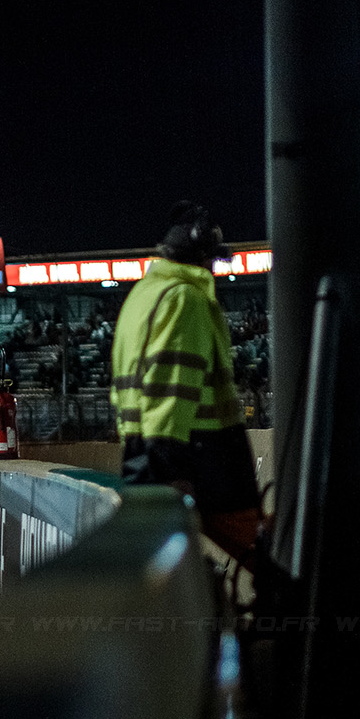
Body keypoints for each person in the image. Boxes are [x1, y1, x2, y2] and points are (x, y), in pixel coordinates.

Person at [110, 201, 262, 564]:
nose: (215, 269)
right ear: (199, 255)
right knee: (266, 552)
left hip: (139, 451)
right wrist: (172, 471)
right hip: (200, 453)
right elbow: (171, 390)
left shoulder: (140, 296)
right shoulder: (187, 299)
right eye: (212, 259)